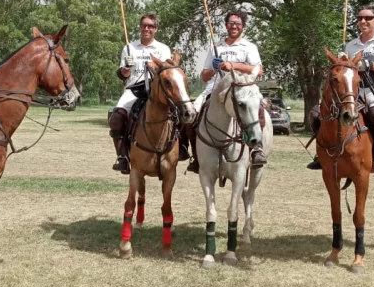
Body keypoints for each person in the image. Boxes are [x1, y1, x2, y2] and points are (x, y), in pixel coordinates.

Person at [306, 4, 374, 179]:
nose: (363, 21)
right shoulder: (351, 45)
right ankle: (323, 154)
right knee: (316, 113)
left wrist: (371, 65)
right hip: (350, 91)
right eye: (360, 18)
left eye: (368, 18)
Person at [183, 9, 264, 174]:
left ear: (243, 27)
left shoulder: (249, 47)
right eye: (231, 23)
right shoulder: (216, 47)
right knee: (191, 114)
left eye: (237, 23)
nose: (234, 26)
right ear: (226, 25)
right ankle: (196, 156)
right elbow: (204, 76)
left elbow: (259, 70)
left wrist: (232, 65)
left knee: (260, 111)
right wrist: (214, 68)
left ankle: (256, 150)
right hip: (214, 88)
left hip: (242, 88)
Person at [108, 12, 172, 174]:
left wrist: (156, 65)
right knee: (116, 117)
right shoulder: (129, 48)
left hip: (156, 91)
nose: (146, 29)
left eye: (150, 26)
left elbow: (168, 72)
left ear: (156, 29)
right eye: (144, 25)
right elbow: (122, 75)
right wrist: (126, 68)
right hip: (134, 89)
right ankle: (122, 157)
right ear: (140, 27)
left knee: (180, 112)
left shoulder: (163, 49)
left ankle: (180, 148)